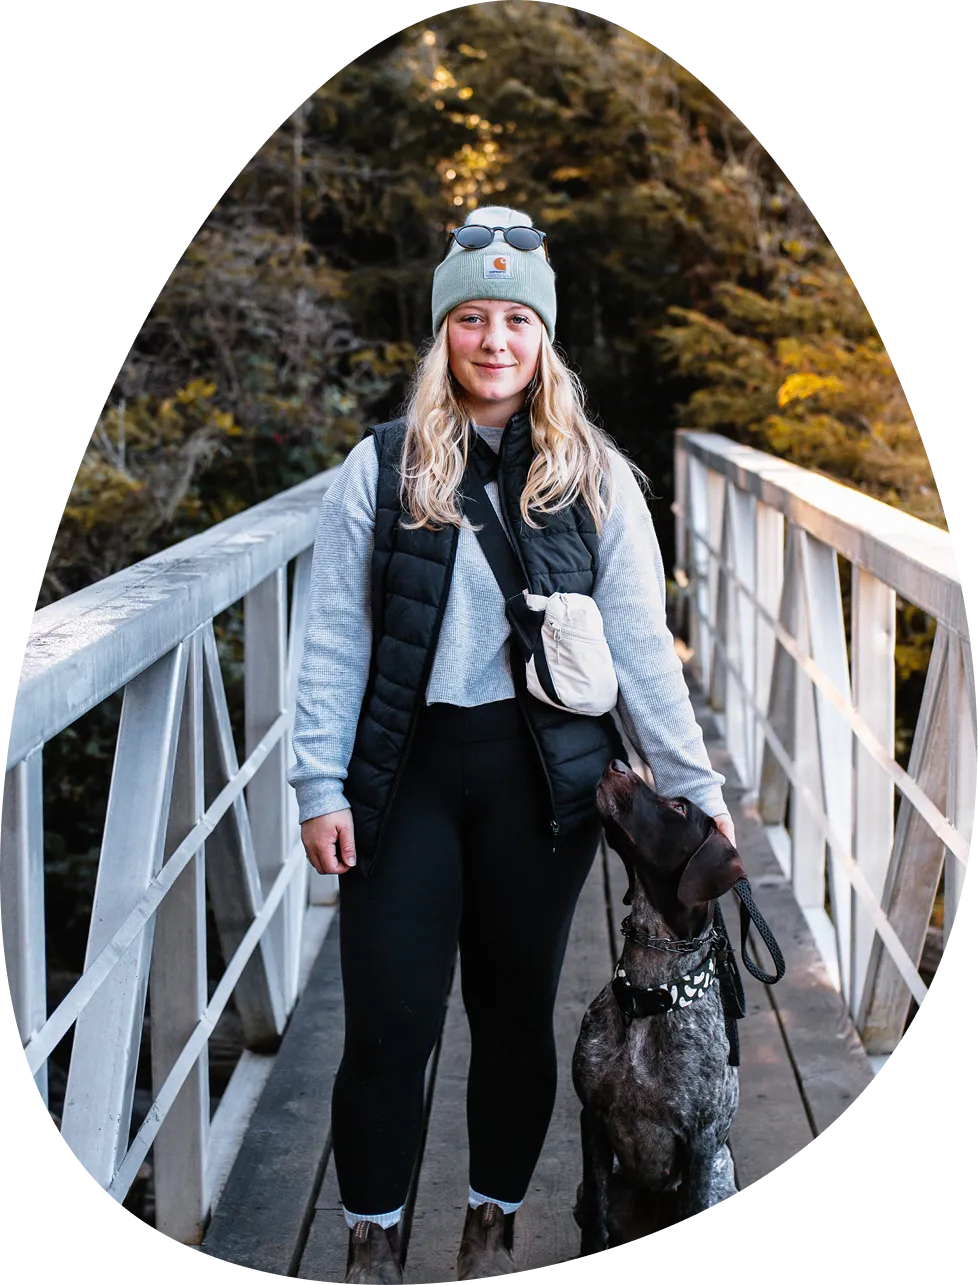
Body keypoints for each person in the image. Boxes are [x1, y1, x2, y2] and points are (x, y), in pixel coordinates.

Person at [288, 205, 734, 1284]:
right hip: (403, 780)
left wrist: (696, 789)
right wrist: (317, 782)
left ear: (543, 342)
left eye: (516, 323)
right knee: (391, 1024)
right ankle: (370, 1242)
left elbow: (642, 651)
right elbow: (334, 643)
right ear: (445, 334)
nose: (495, 342)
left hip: (543, 787)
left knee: (513, 1020)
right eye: (474, 320)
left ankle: (490, 1228)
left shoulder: (593, 475)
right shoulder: (382, 467)